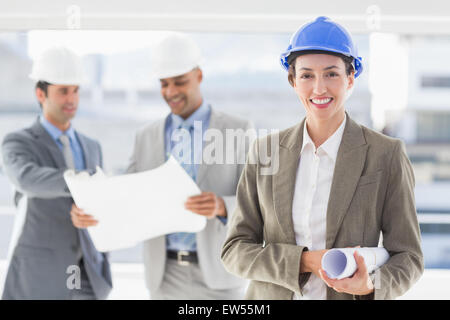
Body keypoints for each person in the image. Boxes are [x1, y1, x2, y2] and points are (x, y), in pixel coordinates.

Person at [221, 16, 424, 300]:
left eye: (331, 74)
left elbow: (409, 257)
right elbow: (235, 250)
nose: (319, 88)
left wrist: (370, 286)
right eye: (306, 75)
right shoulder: (264, 151)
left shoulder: (385, 154)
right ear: (293, 81)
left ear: (350, 78)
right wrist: (304, 261)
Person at [1, 47, 112, 300]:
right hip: (40, 279)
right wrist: (80, 183)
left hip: (88, 277)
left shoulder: (92, 146)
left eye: (75, 90)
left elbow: (102, 201)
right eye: (63, 91)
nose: (71, 99)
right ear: (41, 93)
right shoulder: (18, 142)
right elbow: (26, 179)